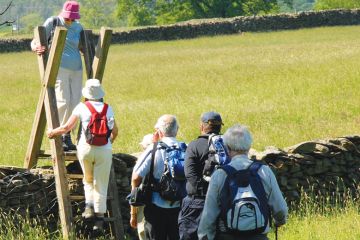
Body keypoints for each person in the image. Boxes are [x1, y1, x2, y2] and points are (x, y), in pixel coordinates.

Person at [47, 79, 118, 231]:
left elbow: (67, 127)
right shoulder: (108, 108)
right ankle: (99, 219)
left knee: (88, 179)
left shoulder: (81, 107)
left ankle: (88, 207)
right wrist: (108, 142)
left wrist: (52, 132)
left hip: (85, 148)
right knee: (101, 183)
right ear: (100, 94)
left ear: (86, 94)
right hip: (104, 150)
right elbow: (115, 131)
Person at [197, 124, 288, 240]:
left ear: (227, 148)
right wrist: (279, 221)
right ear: (249, 147)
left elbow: (209, 215)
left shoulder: (220, 175)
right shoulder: (264, 171)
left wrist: (204, 237)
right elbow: (280, 208)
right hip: (258, 236)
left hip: (227, 236)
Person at [32, 0, 84, 151]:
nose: (70, 20)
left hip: (77, 69)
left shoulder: (78, 27)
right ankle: (60, 134)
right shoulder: (53, 21)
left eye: (72, 18)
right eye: (68, 17)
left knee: (75, 103)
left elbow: (81, 46)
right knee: (63, 101)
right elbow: (35, 40)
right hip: (58, 67)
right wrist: (37, 47)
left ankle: (67, 135)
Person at [131, 115, 182, 240]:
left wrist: (133, 209)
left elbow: (136, 177)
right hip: (179, 207)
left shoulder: (154, 149)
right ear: (177, 130)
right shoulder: (185, 148)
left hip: (156, 206)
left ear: (159, 131)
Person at [178, 111, 224, 240]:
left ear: (202, 126)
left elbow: (189, 174)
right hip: (222, 201)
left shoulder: (194, 145)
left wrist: (203, 191)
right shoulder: (226, 146)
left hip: (197, 202)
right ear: (220, 127)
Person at [131, 133, 153, 240]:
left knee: (143, 233)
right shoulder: (162, 159)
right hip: (162, 205)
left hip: (143, 205)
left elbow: (134, 192)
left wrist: (133, 215)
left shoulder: (141, 164)